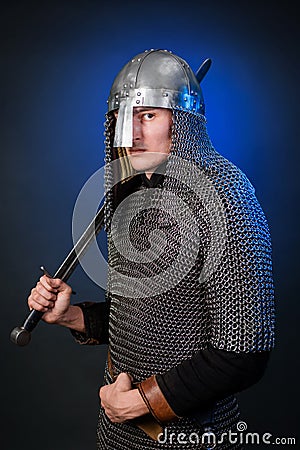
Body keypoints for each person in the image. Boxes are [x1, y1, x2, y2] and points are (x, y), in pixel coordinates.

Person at [28, 49, 275, 449]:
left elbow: (243, 352)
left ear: (183, 122)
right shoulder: (133, 193)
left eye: (148, 116)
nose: (133, 135)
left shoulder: (226, 197)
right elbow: (145, 316)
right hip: (120, 431)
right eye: (122, 119)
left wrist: (142, 402)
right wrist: (71, 316)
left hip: (188, 435)